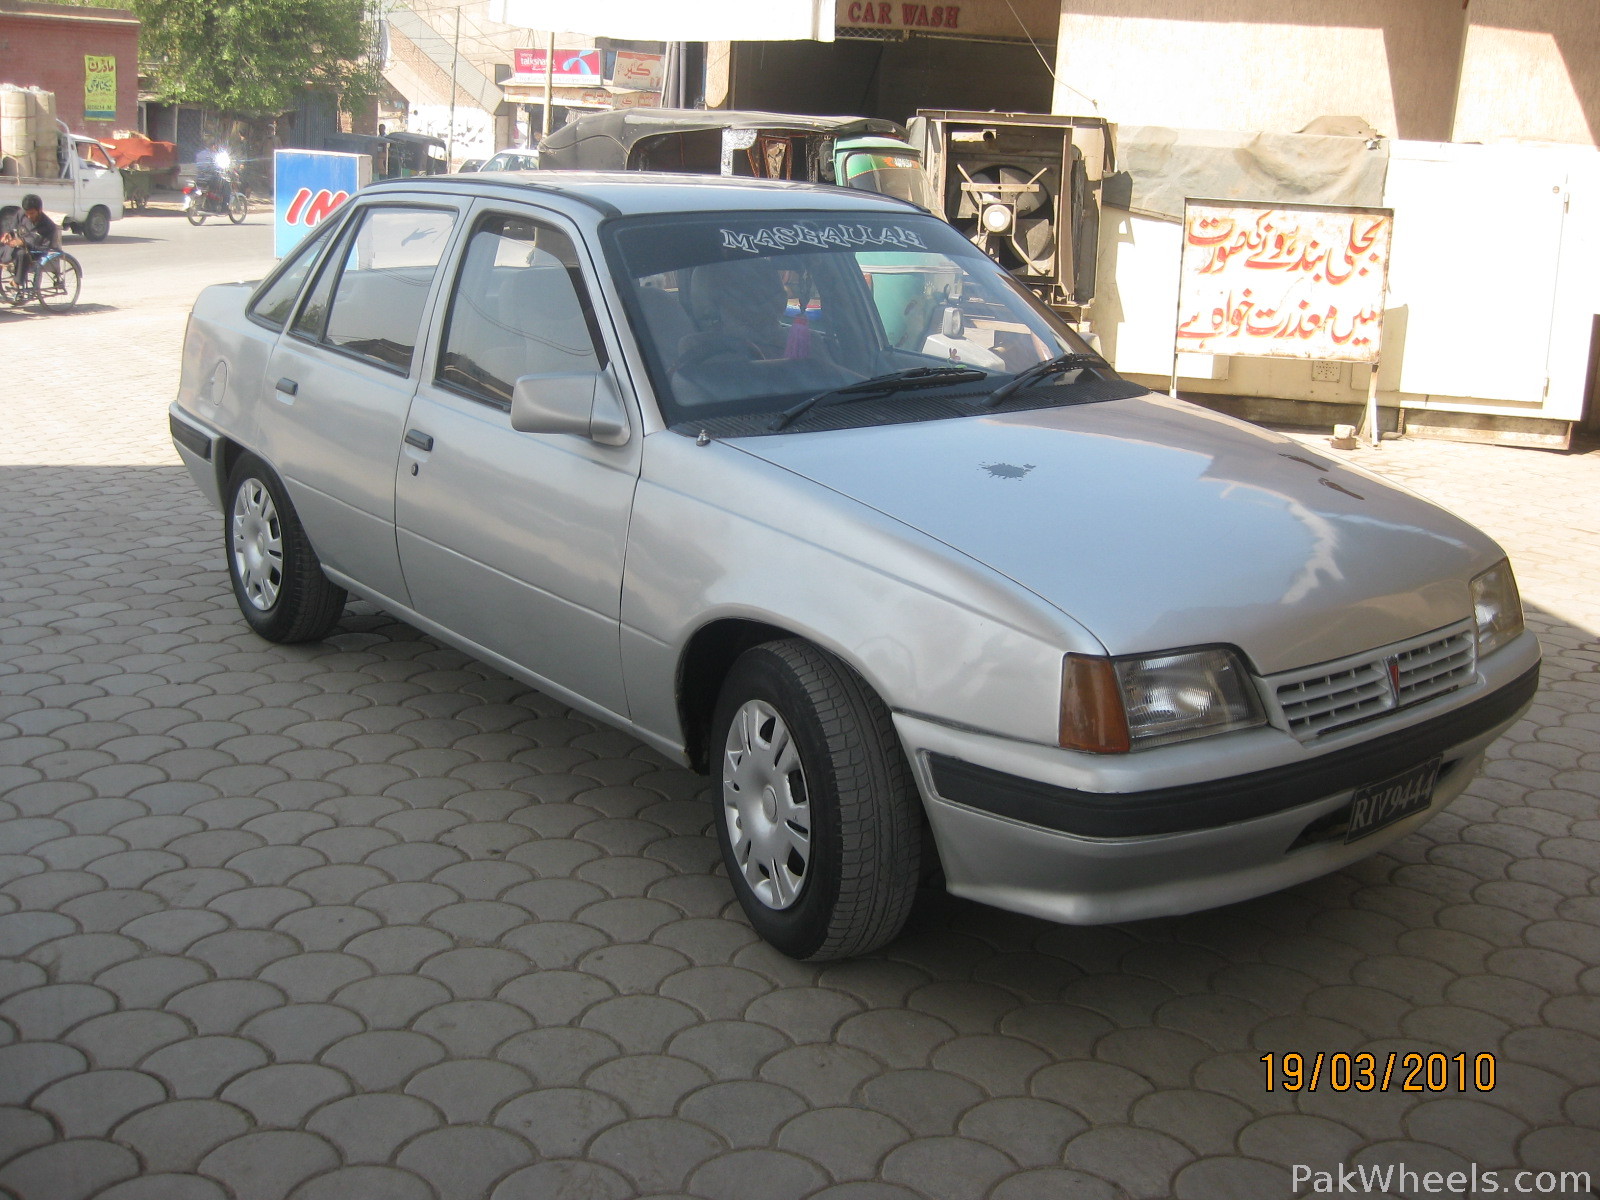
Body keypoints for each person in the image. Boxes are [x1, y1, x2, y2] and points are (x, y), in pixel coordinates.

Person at [0, 194, 60, 293]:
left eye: (32, 213)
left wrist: (24, 243)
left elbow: (44, 249)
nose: (28, 216)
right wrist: (8, 234)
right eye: (27, 213)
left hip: (34, 252)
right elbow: (12, 227)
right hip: (16, 248)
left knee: (21, 253)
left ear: (39, 210)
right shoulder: (21, 214)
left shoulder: (48, 226)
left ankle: (17, 282)